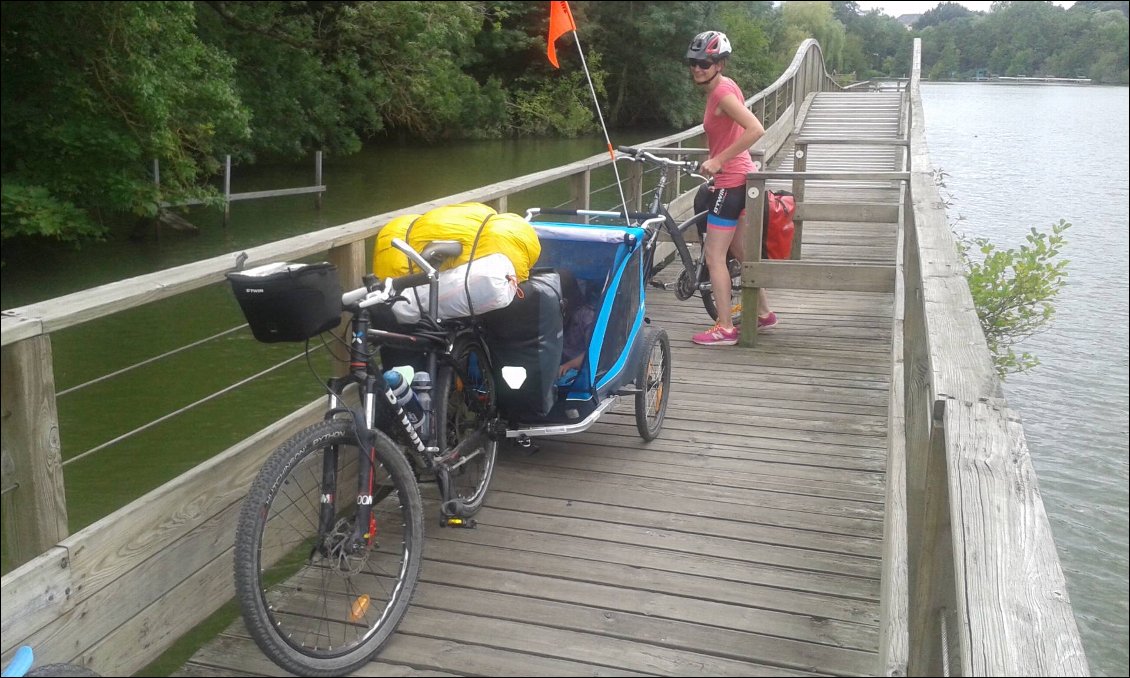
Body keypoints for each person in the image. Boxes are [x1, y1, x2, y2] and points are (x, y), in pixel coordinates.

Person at [685, 30, 777, 346]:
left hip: (733, 182)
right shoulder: (723, 88)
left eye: (705, 62)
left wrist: (719, 160)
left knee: (714, 255)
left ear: (720, 63)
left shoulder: (721, 93)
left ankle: (724, 327)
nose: (698, 68)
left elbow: (756, 129)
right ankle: (764, 313)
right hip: (737, 181)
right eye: (694, 62)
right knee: (739, 250)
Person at [557, 269, 596, 380]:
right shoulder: (553, 312)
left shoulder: (586, 316)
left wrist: (568, 365)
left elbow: (592, 351)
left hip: (578, 367)